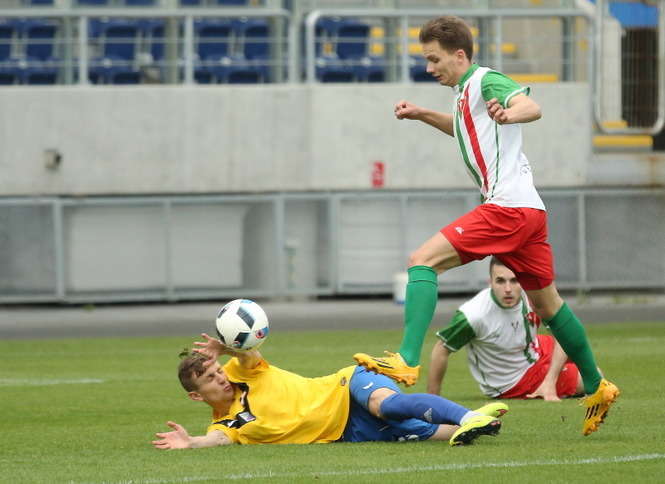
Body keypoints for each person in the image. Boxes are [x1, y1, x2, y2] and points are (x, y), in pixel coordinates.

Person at [352, 15, 619, 436]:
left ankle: (406, 359)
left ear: (459, 55)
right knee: (549, 306)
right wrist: (422, 114)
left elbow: (530, 106)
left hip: (507, 207)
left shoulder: (484, 80)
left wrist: (512, 115)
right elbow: (464, 130)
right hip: (530, 211)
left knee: (422, 261)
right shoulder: (464, 94)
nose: (429, 67)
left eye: (434, 59)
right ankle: (597, 384)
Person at [151, 333, 508, 450]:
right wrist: (191, 442)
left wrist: (227, 348)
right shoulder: (226, 424)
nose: (220, 378)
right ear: (196, 396)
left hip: (345, 388)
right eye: (210, 379)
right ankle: (483, 422)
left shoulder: (240, 371)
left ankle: (468, 416)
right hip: (348, 431)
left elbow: (248, 354)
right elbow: (218, 439)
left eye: (216, 370)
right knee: (431, 434)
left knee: (388, 406)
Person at [428, 257, 586, 401]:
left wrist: (550, 381)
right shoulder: (474, 315)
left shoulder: (532, 295)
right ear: (490, 282)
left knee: (579, 350)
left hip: (532, 348)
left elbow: (564, 331)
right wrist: (432, 402)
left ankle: (550, 384)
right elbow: (441, 349)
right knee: (589, 379)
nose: (508, 289)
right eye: (500, 281)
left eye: (514, 280)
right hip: (514, 380)